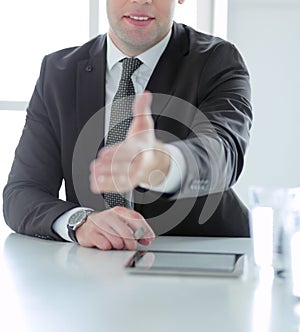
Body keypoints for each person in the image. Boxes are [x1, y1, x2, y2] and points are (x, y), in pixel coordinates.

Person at [3, 0, 252, 250]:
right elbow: (22, 194)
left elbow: (225, 152)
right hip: (95, 265)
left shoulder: (217, 60)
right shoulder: (58, 72)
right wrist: (80, 221)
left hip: (203, 257)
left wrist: (164, 163)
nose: (141, 0)